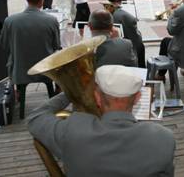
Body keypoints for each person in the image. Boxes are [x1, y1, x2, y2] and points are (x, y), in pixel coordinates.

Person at [28, 65, 176, 176]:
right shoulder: (164, 138)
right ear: (137, 98)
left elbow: (36, 117)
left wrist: (70, 93)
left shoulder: (72, 131)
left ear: (97, 97)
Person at [0, 0, 60, 91]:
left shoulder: (10, 21)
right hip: (46, 70)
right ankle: (57, 90)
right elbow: (56, 45)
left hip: (19, 70)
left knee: (12, 58)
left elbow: (4, 44)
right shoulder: (51, 20)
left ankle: (18, 92)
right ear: (42, 1)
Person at [106, 0, 145, 67]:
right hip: (123, 52)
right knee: (141, 46)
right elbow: (136, 40)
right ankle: (142, 73)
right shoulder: (127, 17)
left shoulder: (104, 12)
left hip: (107, 50)